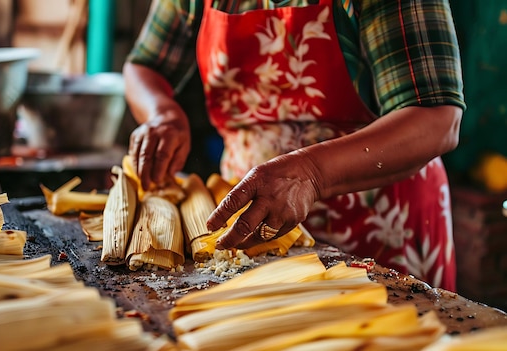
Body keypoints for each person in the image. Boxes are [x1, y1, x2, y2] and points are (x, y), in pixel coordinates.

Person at [123, 0, 465, 291]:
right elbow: (145, 67)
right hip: (252, 225)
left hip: (384, 223)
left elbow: (436, 118)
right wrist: (161, 114)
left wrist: (311, 174)